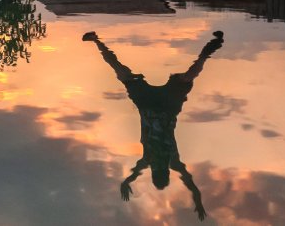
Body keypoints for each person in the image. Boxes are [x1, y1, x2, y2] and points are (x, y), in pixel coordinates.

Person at [83, 29, 226, 221]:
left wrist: (127, 181)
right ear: (165, 171)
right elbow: (190, 183)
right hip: (167, 107)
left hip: (148, 105)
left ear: (154, 171)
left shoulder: (147, 160)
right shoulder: (171, 162)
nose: (159, 167)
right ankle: (211, 48)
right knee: (189, 75)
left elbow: (136, 175)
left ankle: (96, 41)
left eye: (156, 170)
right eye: (161, 170)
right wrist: (198, 202)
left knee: (121, 72)